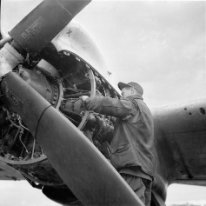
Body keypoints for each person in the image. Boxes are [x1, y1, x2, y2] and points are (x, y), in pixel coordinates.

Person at [68, 81, 154, 206]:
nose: (121, 93)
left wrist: (89, 101)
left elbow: (113, 105)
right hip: (144, 173)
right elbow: (125, 129)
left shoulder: (134, 104)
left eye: (124, 90)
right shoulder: (145, 112)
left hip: (132, 170)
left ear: (132, 91)